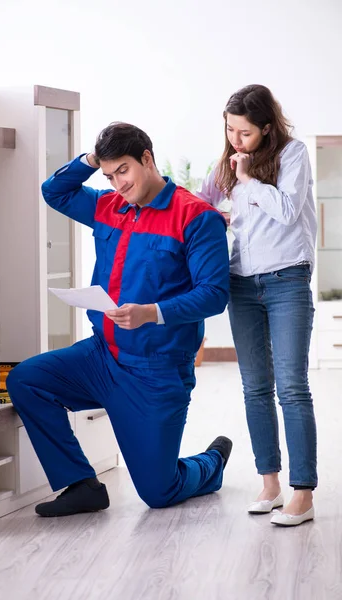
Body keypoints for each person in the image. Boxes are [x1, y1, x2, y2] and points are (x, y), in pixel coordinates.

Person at [6, 122, 232, 517]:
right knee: (26, 379)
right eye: (108, 175)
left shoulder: (197, 216)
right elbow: (53, 191)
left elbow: (214, 294)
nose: (117, 184)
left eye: (123, 170)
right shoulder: (108, 206)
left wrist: (152, 313)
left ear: (147, 159)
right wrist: (94, 158)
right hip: (101, 356)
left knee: (159, 492)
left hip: (156, 370)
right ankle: (82, 485)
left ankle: (210, 464)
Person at [197, 84, 317, 527]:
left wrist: (248, 183)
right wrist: (218, 214)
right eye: (230, 130)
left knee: (291, 386)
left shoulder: (293, 155)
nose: (235, 140)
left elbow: (287, 210)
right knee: (255, 388)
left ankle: (302, 493)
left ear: (267, 128)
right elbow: (199, 203)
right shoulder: (227, 163)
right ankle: (270, 484)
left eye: (244, 133)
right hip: (242, 283)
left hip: (287, 278)